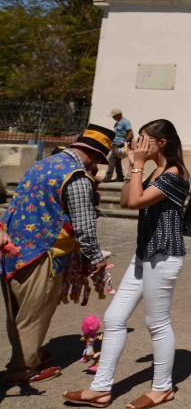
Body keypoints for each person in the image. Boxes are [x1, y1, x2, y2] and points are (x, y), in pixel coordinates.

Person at [63, 119, 191, 409]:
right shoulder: (154, 171)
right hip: (144, 254)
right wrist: (134, 167)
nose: (138, 144)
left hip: (164, 255)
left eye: (145, 139)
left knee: (157, 323)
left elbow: (136, 202)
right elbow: (126, 200)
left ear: (162, 143)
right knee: (114, 319)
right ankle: (100, 389)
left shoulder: (175, 173)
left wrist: (137, 166)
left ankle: (162, 388)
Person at [2, 125, 114, 385]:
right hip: (43, 252)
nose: (96, 166)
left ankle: (27, 354)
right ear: (93, 155)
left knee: (17, 311)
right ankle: (23, 369)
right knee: (35, 311)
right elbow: (84, 226)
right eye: (98, 160)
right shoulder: (76, 177)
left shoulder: (41, 165)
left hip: (11, 249)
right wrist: (96, 258)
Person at [103, 108, 133, 183]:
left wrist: (123, 141)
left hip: (120, 144)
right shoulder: (118, 122)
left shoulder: (125, 122)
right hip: (115, 143)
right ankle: (120, 177)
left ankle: (108, 177)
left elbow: (130, 133)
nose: (113, 117)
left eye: (114, 116)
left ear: (119, 115)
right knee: (117, 161)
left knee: (111, 160)